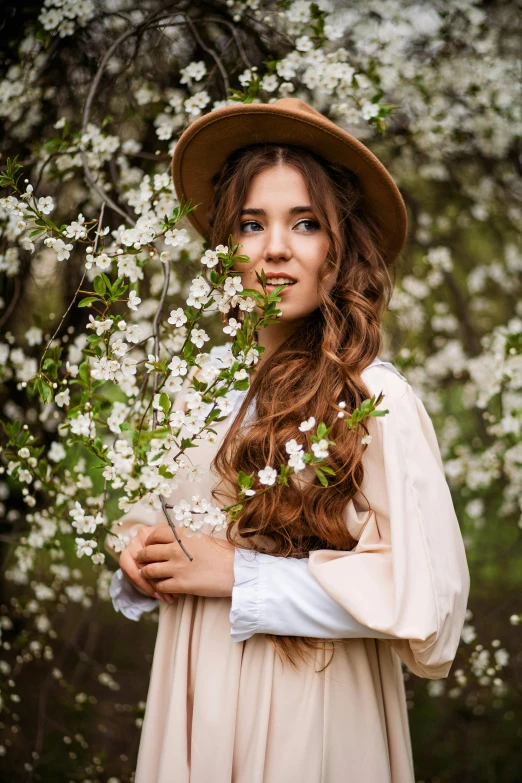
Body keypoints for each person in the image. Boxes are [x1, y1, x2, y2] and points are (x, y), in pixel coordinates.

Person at [107, 98, 470, 783]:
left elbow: (424, 595)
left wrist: (241, 575)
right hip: (198, 692)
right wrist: (142, 559)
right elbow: (164, 519)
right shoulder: (201, 390)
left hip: (314, 702)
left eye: (304, 223)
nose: (275, 248)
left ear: (338, 247)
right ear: (226, 248)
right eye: (252, 224)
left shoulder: (372, 397)